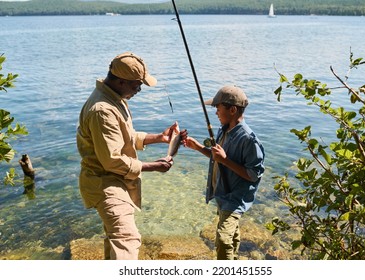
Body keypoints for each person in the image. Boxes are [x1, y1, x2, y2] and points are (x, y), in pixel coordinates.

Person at [76, 51, 182, 260]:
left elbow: (125, 138)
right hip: (105, 183)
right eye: (137, 85)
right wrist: (154, 166)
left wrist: (159, 137)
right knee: (127, 239)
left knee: (115, 238)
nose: (139, 90)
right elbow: (112, 160)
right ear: (122, 82)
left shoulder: (113, 98)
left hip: (114, 180)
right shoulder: (103, 110)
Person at [183, 85, 265, 260]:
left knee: (223, 238)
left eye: (218, 108)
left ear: (233, 110)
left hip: (235, 197)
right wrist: (197, 147)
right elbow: (217, 158)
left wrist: (226, 160)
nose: (216, 113)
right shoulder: (224, 130)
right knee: (231, 234)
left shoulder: (249, 140)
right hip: (222, 192)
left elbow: (253, 175)